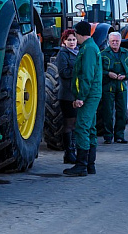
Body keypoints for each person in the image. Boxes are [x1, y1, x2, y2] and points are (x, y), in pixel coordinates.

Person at [63, 21, 102, 177]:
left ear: (79, 34)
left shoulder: (89, 49)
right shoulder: (89, 47)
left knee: (81, 127)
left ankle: (81, 165)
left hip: (89, 94)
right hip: (91, 93)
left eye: (75, 35)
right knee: (90, 128)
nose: (75, 39)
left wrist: (80, 97)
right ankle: (90, 165)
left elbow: (87, 75)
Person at [98, 32, 128, 144]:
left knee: (122, 112)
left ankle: (119, 135)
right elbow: (98, 70)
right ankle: (108, 136)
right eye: (112, 41)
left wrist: (126, 76)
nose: (115, 43)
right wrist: (108, 73)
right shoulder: (103, 54)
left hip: (121, 86)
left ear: (120, 41)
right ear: (109, 42)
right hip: (108, 86)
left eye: (117, 41)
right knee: (107, 112)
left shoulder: (126, 53)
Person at [55, 29, 79, 164]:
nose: (71, 42)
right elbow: (63, 72)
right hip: (67, 94)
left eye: (74, 39)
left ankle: (73, 150)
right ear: (64, 41)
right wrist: (79, 71)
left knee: (74, 123)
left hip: (76, 93)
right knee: (69, 123)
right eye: (69, 40)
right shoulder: (63, 54)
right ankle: (68, 153)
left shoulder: (78, 52)